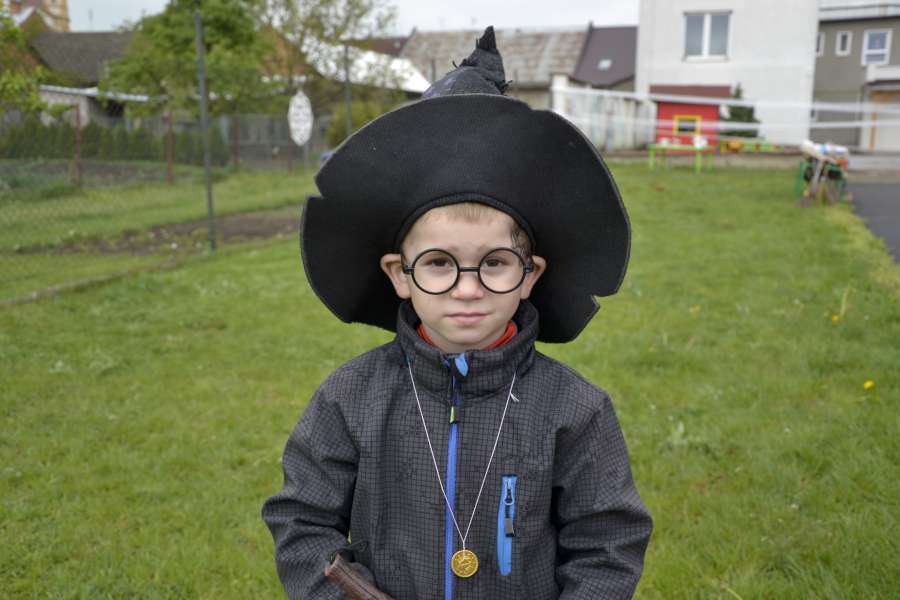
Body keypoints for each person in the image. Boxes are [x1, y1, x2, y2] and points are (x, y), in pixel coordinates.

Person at [262, 26, 652, 600]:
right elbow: (302, 523)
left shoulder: (575, 410)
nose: (468, 289)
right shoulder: (350, 398)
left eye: (494, 263)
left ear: (530, 275)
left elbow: (607, 546)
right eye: (440, 264)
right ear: (399, 274)